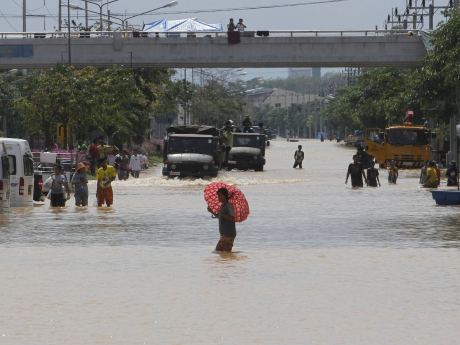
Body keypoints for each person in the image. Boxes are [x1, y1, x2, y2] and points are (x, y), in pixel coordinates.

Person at [207, 188, 236, 252]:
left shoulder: (229, 205)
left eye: (220, 195)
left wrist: (222, 214)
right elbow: (220, 217)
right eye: (218, 195)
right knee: (218, 252)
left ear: (225, 196)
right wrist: (212, 211)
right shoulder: (222, 205)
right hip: (223, 234)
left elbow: (232, 218)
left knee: (225, 254)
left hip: (229, 234)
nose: (218, 197)